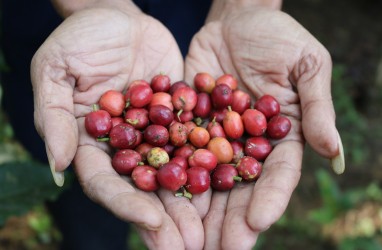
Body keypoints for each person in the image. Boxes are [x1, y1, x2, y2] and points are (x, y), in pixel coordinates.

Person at [2, 0, 344, 249]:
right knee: (85, 214)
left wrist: (243, 6)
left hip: (200, 22)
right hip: (76, 47)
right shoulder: (156, 125)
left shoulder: (199, 128)